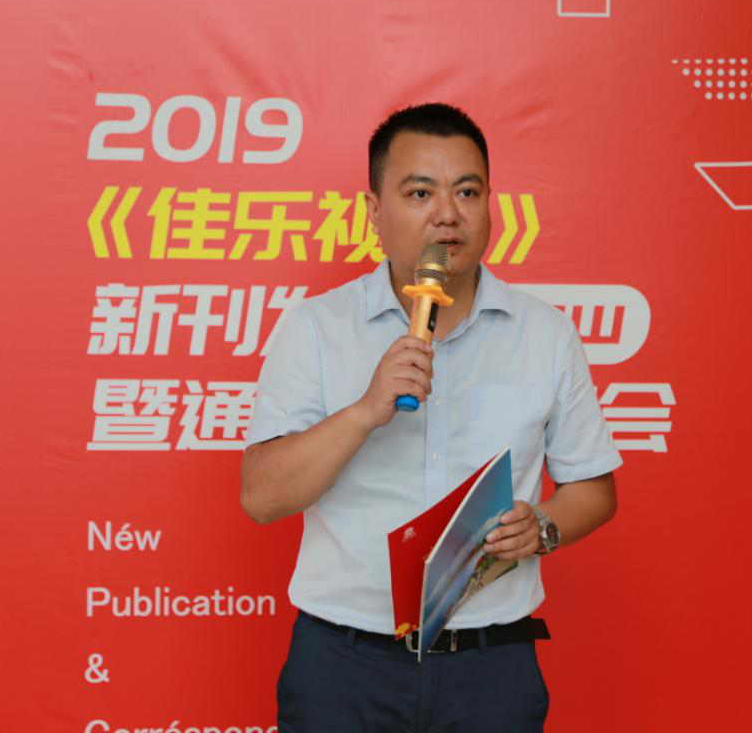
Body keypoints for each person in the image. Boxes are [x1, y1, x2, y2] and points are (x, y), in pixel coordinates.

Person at [240, 103, 622, 732]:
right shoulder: (316, 328)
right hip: (345, 664)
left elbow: (594, 490)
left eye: (467, 192)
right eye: (420, 192)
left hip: (491, 665)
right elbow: (262, 497)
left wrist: (543, 528)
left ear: (490, 204)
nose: (448, 213)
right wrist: (365, 411)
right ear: (374, 211)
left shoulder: (546, 334)